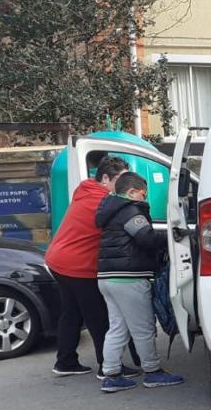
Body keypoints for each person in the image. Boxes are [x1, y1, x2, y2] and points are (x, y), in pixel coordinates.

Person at [45, 155, 140, 379]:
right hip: (79, 265)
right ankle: (107, 366)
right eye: (121, 179)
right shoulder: (105, 202)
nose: (125, 185)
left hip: (58, 260)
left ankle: (65, 362)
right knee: (98, 317)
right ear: (105, 178)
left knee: (72, 313)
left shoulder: (85, 192)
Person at [94, 172, 184, 392]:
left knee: (117, 328)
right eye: (143, 194)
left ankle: (111, 374)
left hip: (107, 277)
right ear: (132, 192)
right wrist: (174, 237)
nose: (145, 199)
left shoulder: (111, 211)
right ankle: (152, 372)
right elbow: (146, 237)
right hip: (128, 277)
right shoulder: (130, 210)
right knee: (143, 328)